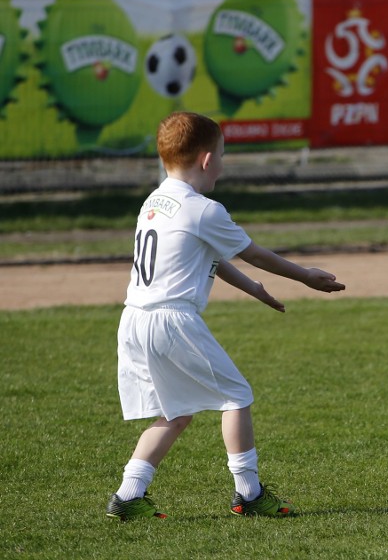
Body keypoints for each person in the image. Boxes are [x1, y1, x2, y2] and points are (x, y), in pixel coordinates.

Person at [107, 111, 345, 521]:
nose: (223, 161)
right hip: (171, 319)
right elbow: (252, 252)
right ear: (205, 160)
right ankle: (249, 494)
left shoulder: (155, 201)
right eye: (221, 153)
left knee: (175, 412)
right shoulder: (204, 209)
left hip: (134, 319)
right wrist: (306, 276)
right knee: (236, 396)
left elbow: (210, 255)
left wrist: (254, 290)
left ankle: (128, 496)